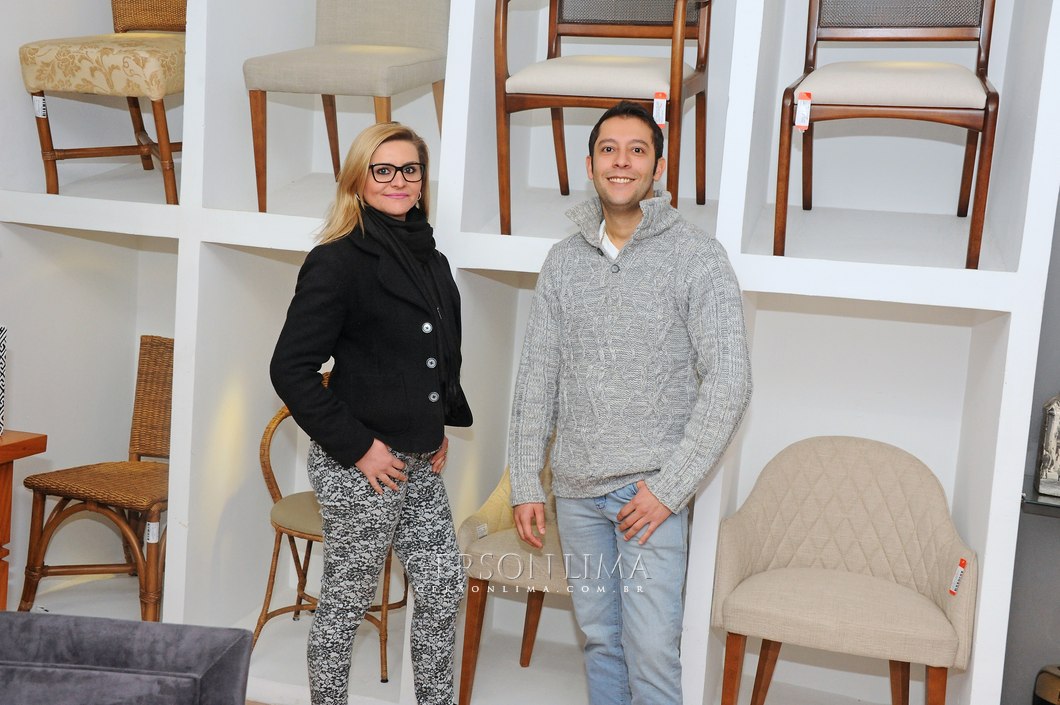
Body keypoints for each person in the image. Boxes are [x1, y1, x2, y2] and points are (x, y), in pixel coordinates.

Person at [507, 101, 752, 705]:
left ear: (657, 167)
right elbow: (536, 379)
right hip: (577, 496)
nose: (622, 162)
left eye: (637, 150)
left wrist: (669, 490)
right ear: (590, 164)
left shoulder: (697, 257)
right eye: (609, 150)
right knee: (600, 643)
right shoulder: (563, 261)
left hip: (647, 500)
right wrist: (526, 482)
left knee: (652, 653)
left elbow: (730, 380)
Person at [270, 121, 473, 705]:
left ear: (422, 180)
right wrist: (360, 449)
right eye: (383, 170)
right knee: (347, 603)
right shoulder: (337, 260)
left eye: (410, 169)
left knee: (442, 585)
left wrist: (436, 424)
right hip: (361, 463)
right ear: (358, 180)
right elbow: (290, 369)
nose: (398, 180)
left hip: (418, 458)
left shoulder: (431, 259)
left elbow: (436, 350)